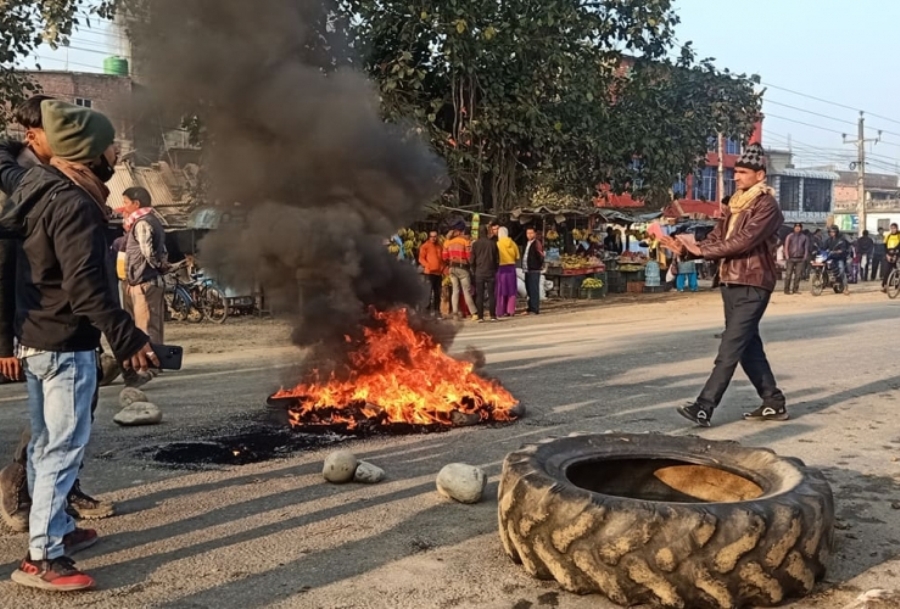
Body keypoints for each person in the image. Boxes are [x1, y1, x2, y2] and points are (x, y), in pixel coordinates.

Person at [0, 100, 158, 591]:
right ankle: (42, 558)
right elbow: (86, 287)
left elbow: (7, 166)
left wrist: (16, 138)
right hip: (65, 345)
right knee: (63, 448)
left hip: (38, 339)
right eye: (111, 144)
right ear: (90, 151)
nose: (117, 153)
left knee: (48, 442)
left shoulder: (36, 186)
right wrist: (127, 335)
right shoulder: (73, 203)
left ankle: (61, 528)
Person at [0, 96, 115, 537]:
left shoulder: (57, 182)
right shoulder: (37, 185)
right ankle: (37, 529)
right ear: (36, 137)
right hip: (48, 330)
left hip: (70, 328)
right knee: (55, 436)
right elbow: (10, 270)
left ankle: (62, 509)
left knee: (71, 421)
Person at [661, 143, 786, 427]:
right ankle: (773, 402)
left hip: (754, 283)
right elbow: (717, 238)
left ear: (760, 175)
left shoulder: (767, 205)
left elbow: (744, 241)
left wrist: (700, 251)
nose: (737, 177)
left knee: (730, 346)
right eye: (736, 172)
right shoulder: (734, 204)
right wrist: (683, 249)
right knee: (748, 347)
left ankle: (704, 406)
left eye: (742, 172)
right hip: (731, 281)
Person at [121, 187, 169, 345]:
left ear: (136, 203)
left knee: (147, 327)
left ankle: (150, 366)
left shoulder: (142, 223)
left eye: (126, 203)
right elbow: (162, 250)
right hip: (143, 281)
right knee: (147, 325)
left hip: (145, 282)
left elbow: (148, 252)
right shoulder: (152, 220)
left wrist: (158, 266)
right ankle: (151, 364)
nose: (124, 207)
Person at [442, 229, 478, 320]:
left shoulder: (447, 242)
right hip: (462, 268)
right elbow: (469, 257)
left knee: (455, 291)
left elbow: (444, 257)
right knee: (467, 291)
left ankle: (455, 314)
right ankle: (474, 313)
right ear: (458, 232)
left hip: (451, 269)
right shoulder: (464, 241)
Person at [470, 225, 499, 322]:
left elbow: (472, 260)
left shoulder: (475, 244)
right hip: (490, 271)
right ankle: (492, 315)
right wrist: (495, 269)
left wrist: (474, 270)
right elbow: (496, 258)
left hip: (479, 272)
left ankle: (481, 316)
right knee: (491, 294)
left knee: (480, 295)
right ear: (487, 232)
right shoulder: (492, 243)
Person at [495, 227, 519, 318]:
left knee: (501, 291)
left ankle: (501, 311)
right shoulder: (513, 244)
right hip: (511, 268)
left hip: (501, 269)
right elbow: (517, 257)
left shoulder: (497, 244)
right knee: (511, 290)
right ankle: (511, 310)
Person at [418, 231, 443, 316]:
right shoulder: (425, 246)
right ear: (429, 237)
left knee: (437, 294)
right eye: (432, 236)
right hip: (429, 273)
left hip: (438, 273)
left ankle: (437, 312)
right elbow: (421, 259)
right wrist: (427, 265)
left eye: (435, 236)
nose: (433, 238)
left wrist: (443, 267)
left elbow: (441, 259)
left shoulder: (440, 246)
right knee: (428, 293)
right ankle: (426, 312)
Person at [522, 227, 545, 315]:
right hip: (527, 269)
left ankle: (535, 309)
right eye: (528, 233)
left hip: (534, 270)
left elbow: (541, 256)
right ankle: (530, 307)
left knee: (534, 289)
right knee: (529, 289)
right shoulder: (527, 243)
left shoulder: (537, 243)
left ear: (535, 234)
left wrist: (537, 265)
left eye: (531, 233)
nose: (529, 235)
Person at [782, 223, 809, 295]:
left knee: (798, 275)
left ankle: (795, 289)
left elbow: (806, 248)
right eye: (796, 227)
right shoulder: (789, 236)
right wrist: (787, 256)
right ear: (794, 228)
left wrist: (805, 257)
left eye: (799, 227)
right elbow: (786, 247)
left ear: (801, 228)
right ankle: (786, 290)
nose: (797, 228)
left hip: (800, 259)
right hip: (790, 258)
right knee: (788, 275)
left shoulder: (804, 237)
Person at [823, 225, 850, 292]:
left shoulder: (841, 240)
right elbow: (823, 247)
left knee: (841, 271)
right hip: (830, 257)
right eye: (831, 232)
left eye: (833, 232)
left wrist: (838, 251)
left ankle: (846, 288)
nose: (832, 233)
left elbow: (843, 249)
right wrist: (817, 250)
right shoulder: (828, 240)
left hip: (839, 258)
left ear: (836, 232)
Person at [882, 223, 900, 292]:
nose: (893, 230)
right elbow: (884, 246)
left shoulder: (899, 235)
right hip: (889, 254)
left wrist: (896, 255)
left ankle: (897, 286)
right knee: (886, 271)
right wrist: (887, 255)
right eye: (891, 228)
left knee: (897, 271)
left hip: (898, 254)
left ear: (897, 228)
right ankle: (885, 286)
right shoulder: (888, 236)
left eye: (894, 228)